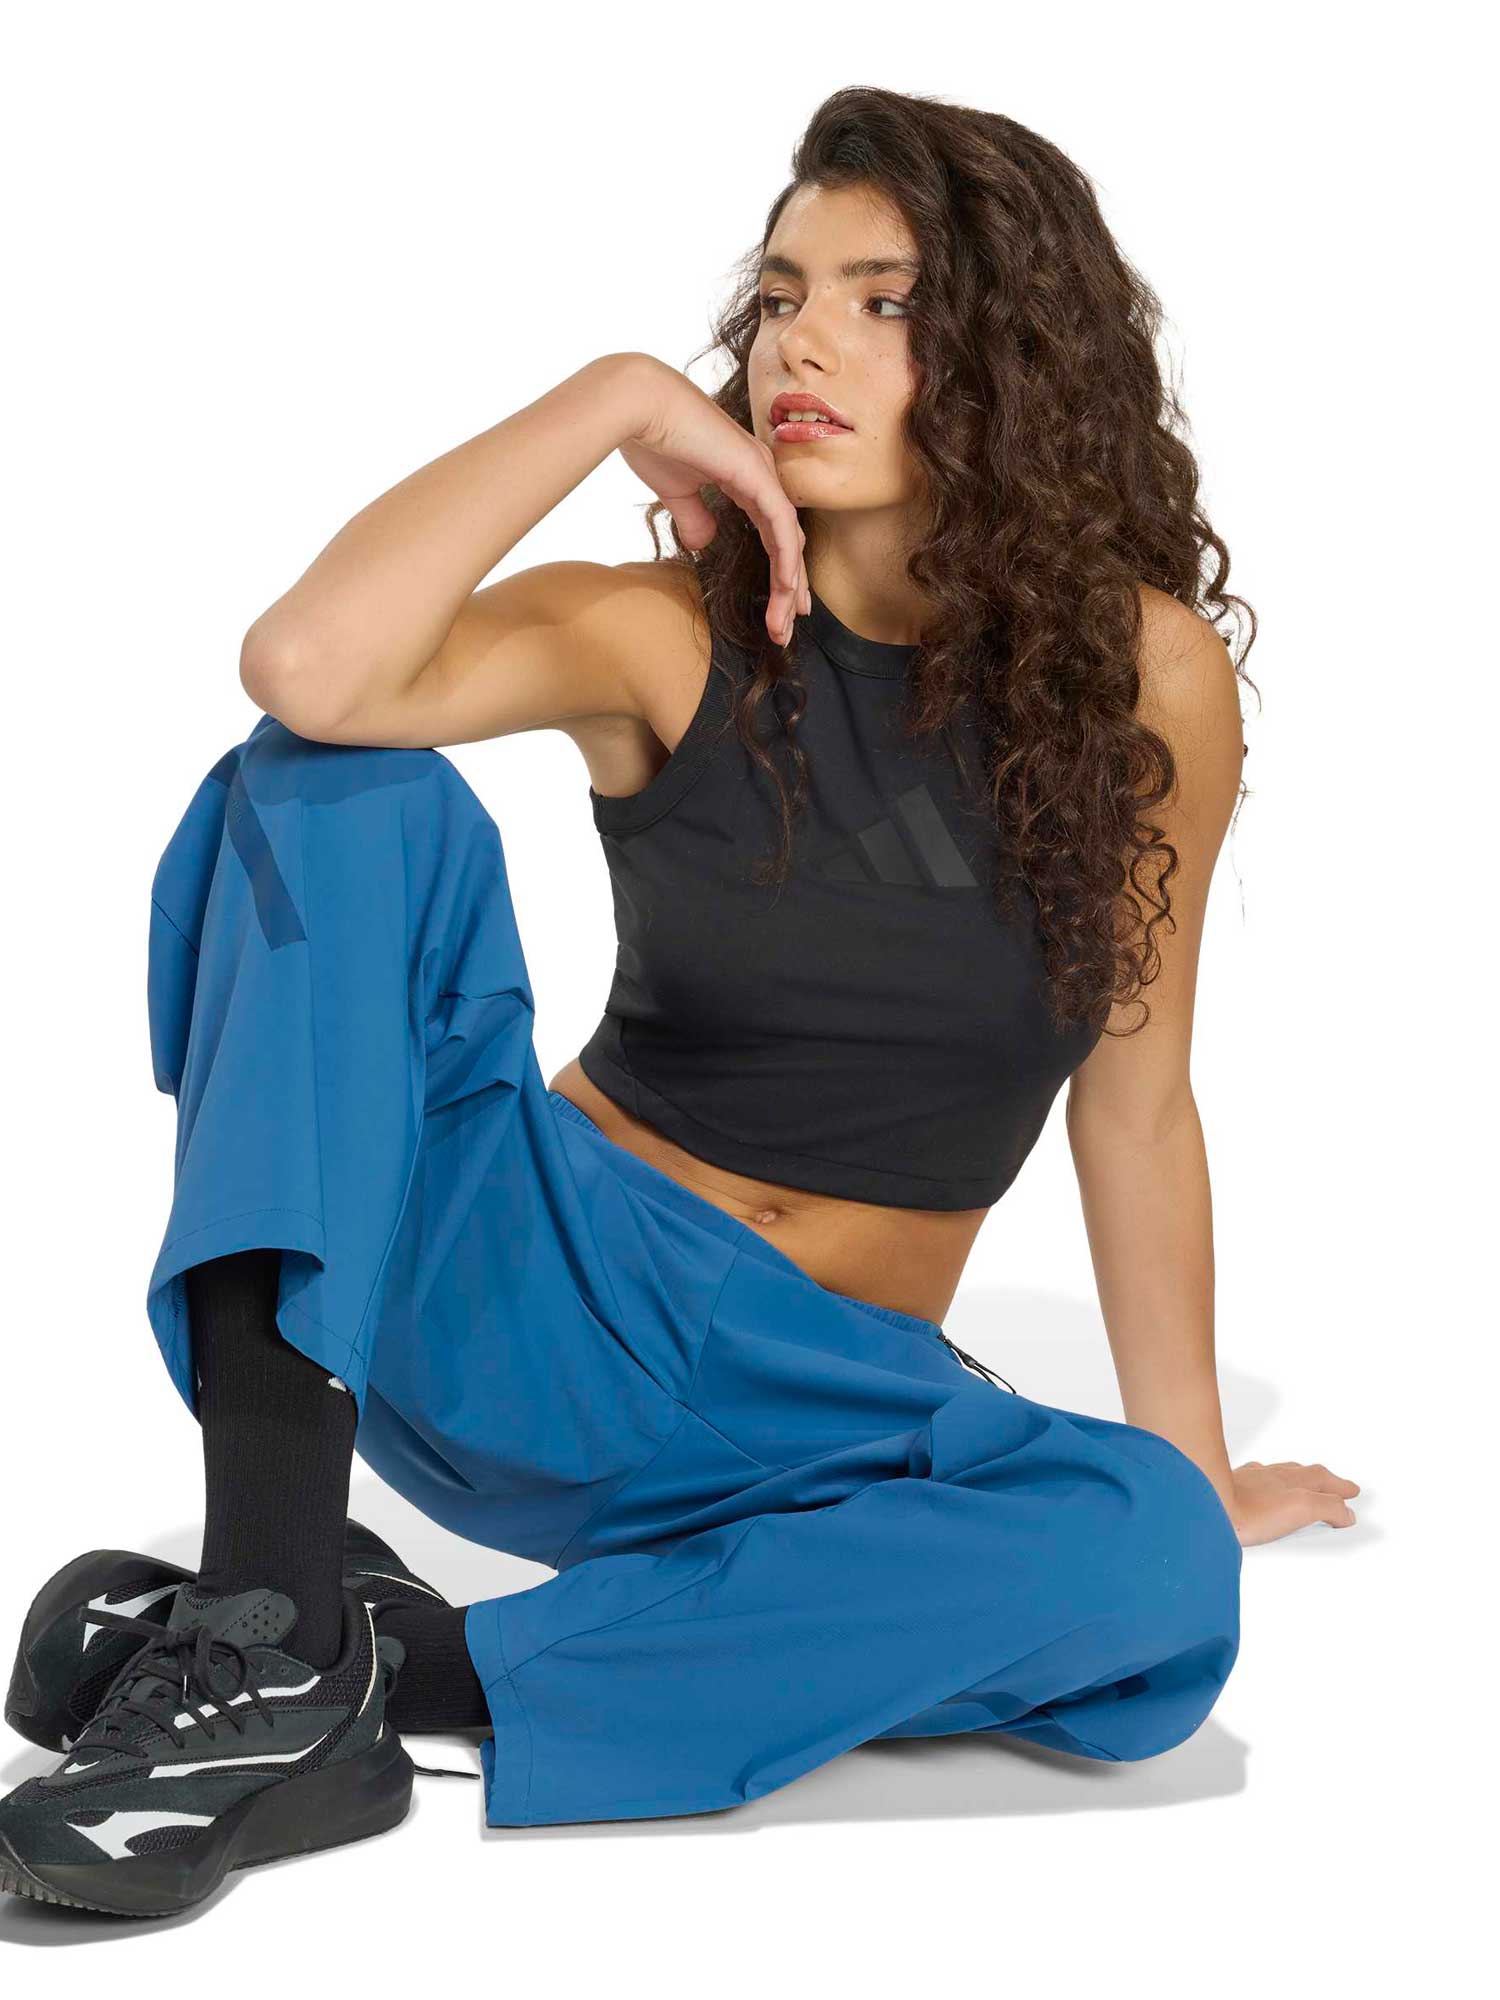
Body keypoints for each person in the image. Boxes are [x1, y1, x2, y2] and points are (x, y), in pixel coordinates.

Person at [0, 87, 1358, 1917]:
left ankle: (371, 1662)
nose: (803, 339)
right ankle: (260, 1610)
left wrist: (1191, 1465)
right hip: (520, 1290)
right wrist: (618, 397)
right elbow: (309, 665)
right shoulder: (668, 632)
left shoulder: (1148, 678)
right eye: (781, 294)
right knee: (324, 787)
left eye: (883, 300)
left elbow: (1139, 1097)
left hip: (810, 1404)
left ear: (1020, 360)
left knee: (1154, 1564)